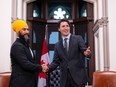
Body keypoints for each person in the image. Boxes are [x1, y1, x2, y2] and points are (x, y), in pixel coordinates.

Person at [46, 19, 91, 87]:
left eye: (67, 26)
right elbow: (55, 62)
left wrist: (87, 53)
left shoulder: (78, 38)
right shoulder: (57, 45)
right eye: (63, 26)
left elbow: (85, 51)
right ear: (59, 29)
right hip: (64, 80)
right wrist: (47, 68)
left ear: (69, 27)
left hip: (78, 78)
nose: (66, 28)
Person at [9, 19, 47, 87]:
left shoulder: (26, 45)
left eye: (27, 29)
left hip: (30, 82)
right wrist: (40, 67)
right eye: (24, 29)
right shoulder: (17, 46)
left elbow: (31, 63)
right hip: (20, 83)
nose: (26, 31)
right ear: (18, 31)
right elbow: (26, 64)